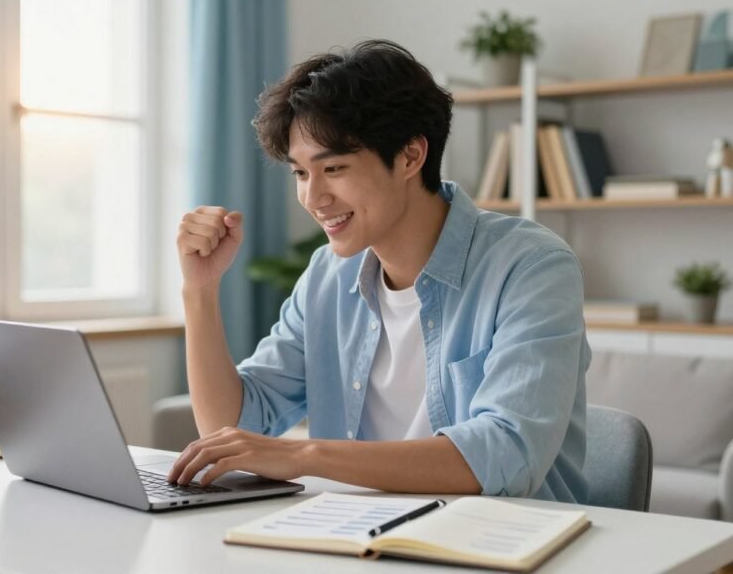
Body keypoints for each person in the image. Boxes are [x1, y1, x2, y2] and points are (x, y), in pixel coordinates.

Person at [169, 39, 590, 502]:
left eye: (334, 167)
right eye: (301, 174)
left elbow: (505, 454)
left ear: (411, 156)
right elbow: (231, 431)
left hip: (503, 544)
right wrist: (200, 290)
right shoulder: (328, 275)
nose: (313, 199)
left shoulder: (530, 266)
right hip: (360, 537)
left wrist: (305, 456)